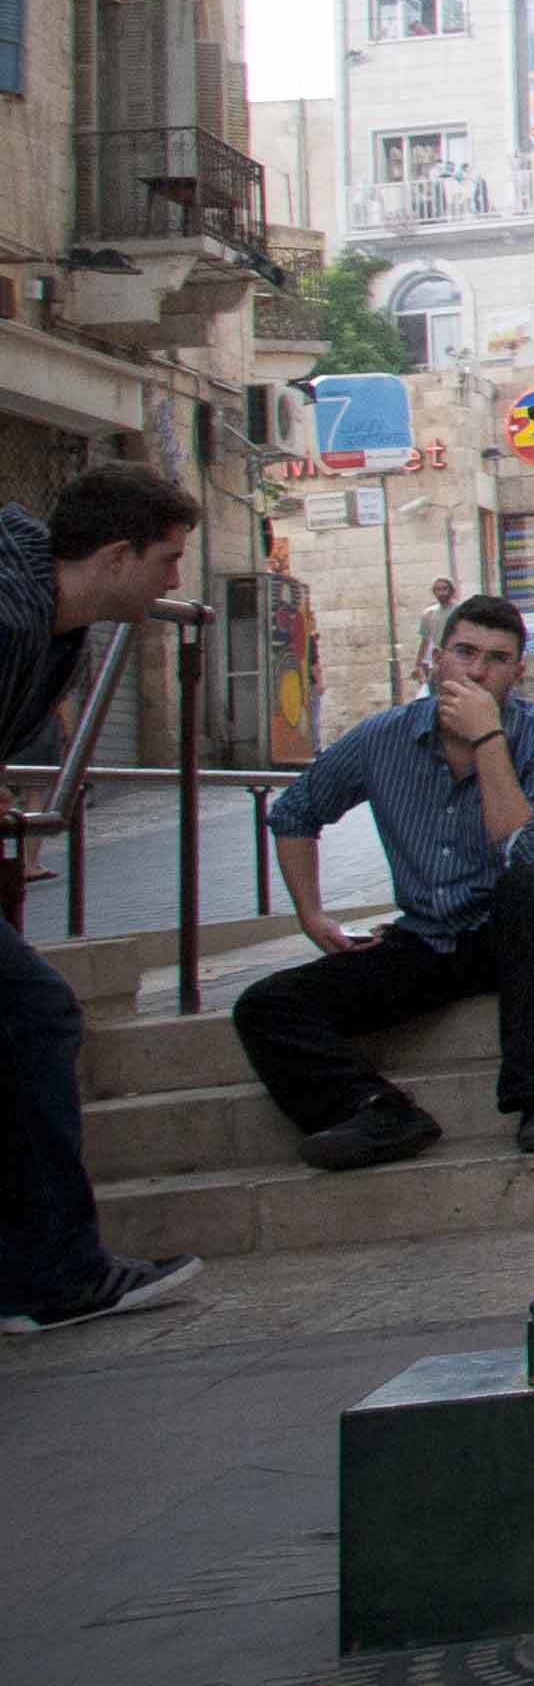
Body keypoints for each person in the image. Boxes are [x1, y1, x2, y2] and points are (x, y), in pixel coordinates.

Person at [238, 593, 534, 1167]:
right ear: (436, 660)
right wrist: (312, 913)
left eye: (497, 660)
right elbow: (295, 810)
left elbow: (525, 852)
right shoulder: (384, 736)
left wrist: (487, 741)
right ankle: (377, 1110)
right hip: (426, 937)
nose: (477, 671)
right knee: (266, 1005)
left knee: (531, 890)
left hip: (520, 930)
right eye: (465, 653)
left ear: (519, 673)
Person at [0, 467, 206, 1335]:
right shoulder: (12, 619)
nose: (172, 584)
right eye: (166, 560)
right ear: (117, 555)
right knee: (34, 1013)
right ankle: (55, 1276)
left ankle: (41, 1274)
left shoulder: (56, 630)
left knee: (30, 1016)